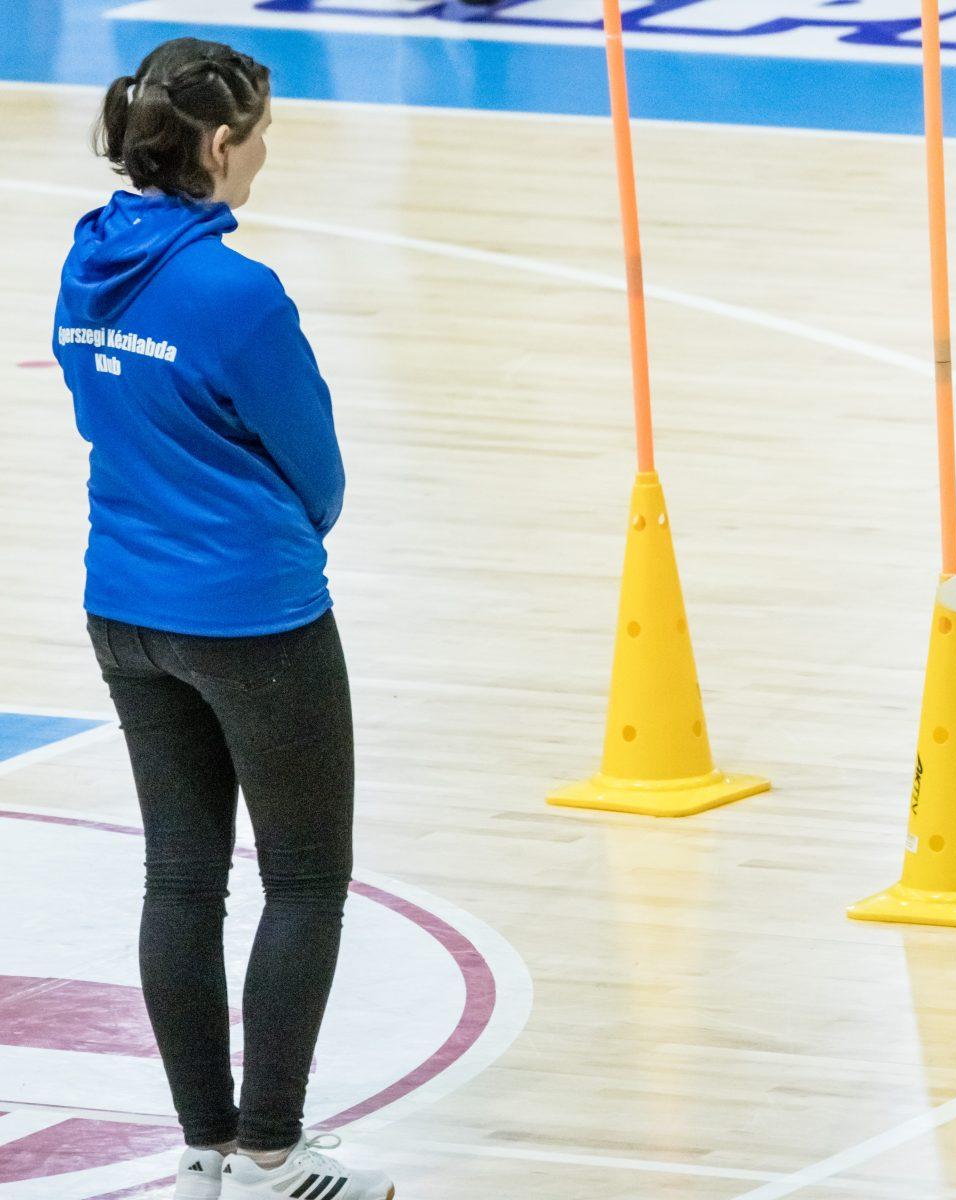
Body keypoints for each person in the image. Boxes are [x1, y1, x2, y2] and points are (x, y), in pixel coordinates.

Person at [54, 36, 395, 1200]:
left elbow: (99, 404)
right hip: (253, 618)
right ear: (216, 143)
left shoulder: (86, 257)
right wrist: (282, 526)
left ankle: (207, 1144)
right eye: (259, 138)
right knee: (304, 880)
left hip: (123, 608)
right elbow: (318, 468)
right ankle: (272, 1153)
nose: (263, 158)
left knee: (181, 881)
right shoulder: (239, 294)